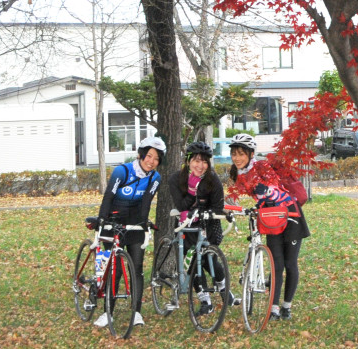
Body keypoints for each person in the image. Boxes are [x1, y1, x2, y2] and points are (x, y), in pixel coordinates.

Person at [227, 133, 309, 321]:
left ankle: (286, 306)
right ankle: (273, 308)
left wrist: (262, 203)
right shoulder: (239, 175)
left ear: (251, 153)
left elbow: (271, 188)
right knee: (276, 265)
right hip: (270, 219)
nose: (237, 158)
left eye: (241, 154)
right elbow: (249, 196)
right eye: (234, 154)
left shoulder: (262, 166)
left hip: (290, 216)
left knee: (290, 264)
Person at [93, 135, 165, 329]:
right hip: (114, 219)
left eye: (156, 159)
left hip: (134, 223)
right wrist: (103, 221)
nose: (151, 161)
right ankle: (107, 312)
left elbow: (146, 202)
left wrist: (143, 223)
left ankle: (136, 313)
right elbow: (108, 197)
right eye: (149, 156)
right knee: (114, 270)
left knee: (137, 267)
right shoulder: (122, 171)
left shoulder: (155, 177)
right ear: (141, 155)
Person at [168, 140, 235, 314]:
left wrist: (204, 212)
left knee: (209, 259)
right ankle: (205, 301)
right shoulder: (176, 179)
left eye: (204, 161)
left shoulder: (212, 180)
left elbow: (218, 206)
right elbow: (181, 205)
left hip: (209, 224)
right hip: (187, 225)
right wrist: (192, 190)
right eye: (196, 160)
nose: (200, 165)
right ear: (188, 161)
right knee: (192, 263)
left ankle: (223, 289)